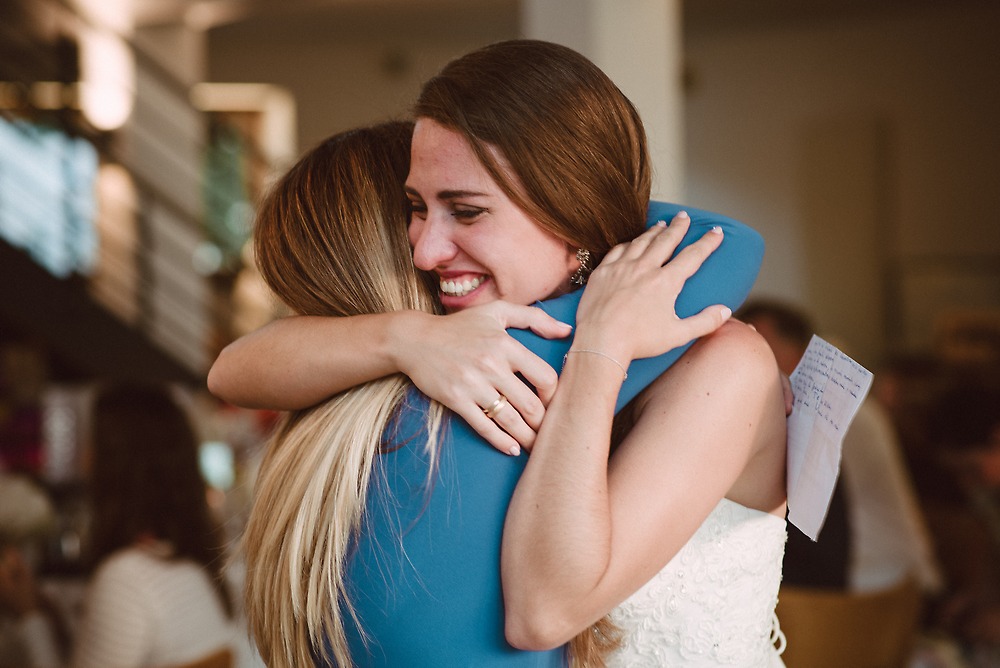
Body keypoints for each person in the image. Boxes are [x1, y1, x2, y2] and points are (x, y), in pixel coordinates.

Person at [216, 40, 785, 667]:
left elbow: (542, 613)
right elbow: (234, 369)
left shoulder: (727, 366)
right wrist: (405, 336)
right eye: (416, 208)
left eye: (466, 211)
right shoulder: (452, 348)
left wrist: (600, 348)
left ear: (574, 218)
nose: (425, 251)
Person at [737, 299, 942, 594]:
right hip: (866, 568)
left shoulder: (835, 408)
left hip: (876, 577)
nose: (754, 357)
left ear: (798, 349)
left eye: (762, 343)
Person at [72, 382, 250, 668]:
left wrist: (30, 617)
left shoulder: (126, 579)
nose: (84, 459)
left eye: (92, 445)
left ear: (115, 465)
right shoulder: (196, 569)